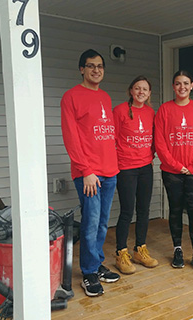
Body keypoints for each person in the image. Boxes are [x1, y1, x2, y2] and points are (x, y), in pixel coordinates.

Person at [61, 49, 120, 297]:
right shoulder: (71, 97)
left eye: (100, 66)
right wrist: (86, 170)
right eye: (91, 66)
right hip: (89, 174)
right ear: (81, 69)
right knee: (90, 222)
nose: (96, 70)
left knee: (103, 223)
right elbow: (71, 138)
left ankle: (96, 264)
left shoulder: (105, 97)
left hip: (109, 171)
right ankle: (88, 272)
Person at [154, 70, 193, 273]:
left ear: (192, 85)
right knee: (176, 210)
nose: (182, 87)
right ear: (173, 86)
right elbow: (160, 142)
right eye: (178, 84)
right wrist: (177, 166)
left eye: (186, 83)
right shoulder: (165, 109)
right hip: (172, 171)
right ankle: (177, 249)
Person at [113, 76, 158, 274]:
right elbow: (111, 138)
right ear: (131, 91)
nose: (141, 92)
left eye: (145, 89)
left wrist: (151, 155)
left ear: (149, 94)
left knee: (144, 210)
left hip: (146, 167)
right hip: (126, 168)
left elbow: (155, 137)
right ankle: (121, 253)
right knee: (127, 211)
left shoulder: (150, 112)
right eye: (137, 88)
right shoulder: (120, 110)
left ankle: (140, 248)